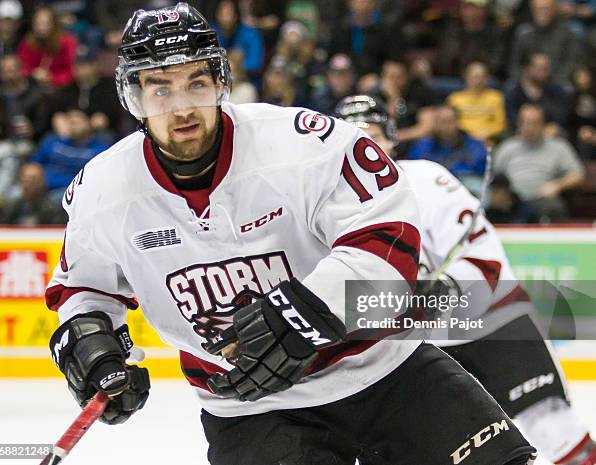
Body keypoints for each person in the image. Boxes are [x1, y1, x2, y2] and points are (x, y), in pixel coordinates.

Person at [44, 4, 536, 465]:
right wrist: (94, 348)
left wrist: (312, 309)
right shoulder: (103, 190)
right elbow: (85, 289)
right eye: (160, 89)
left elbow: (388, 236)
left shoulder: (303, 142)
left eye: (196, 82)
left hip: (383, 369)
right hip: (251, 408)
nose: (182, 108)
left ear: (220, 81)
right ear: (134, 96)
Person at [336, 94, 596, 465]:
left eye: (373, 136)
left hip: (489, 321)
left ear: (392, 140)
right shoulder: (328, 204)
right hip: (414, 348)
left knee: (551, 428)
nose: (364, 148)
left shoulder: (426, 178)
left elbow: (484, 257)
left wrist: (441, 292)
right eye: (352, 138)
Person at [494, 103, 586, 221]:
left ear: (543, 125)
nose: (528, 127)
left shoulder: (558, 147)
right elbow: (494, 178)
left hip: (542, 200)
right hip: (512, 202)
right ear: (518, 124)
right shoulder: (507, 148)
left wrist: (556, 186)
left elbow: (578, 175)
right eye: (524, 122)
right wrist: (501, 194)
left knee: (554, 207)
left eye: (534, 123)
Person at [408, 105, 488, 195]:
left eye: (450, 121)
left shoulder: (474, 145)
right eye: (442, 122)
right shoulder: (422, 146)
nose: (446, 126)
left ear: (458, 122)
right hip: (432, 184)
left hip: (465, 183)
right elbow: (414, 171)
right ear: (435, 123)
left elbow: (481, 172)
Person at [16, 5, 78, 88]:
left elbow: (72, 70)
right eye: (38, 24)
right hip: (34, 87)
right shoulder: (27, 43)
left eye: (46, 24)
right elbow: (22, 67)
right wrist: (34, 74)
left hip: (61, 88)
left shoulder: (67, 42)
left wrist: (52, 78)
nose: (41, 28)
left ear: (54, 24)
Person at [447, 61, 507, 144]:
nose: (478, 80)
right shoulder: (455, 99)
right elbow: (450, 122)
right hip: (461, 140)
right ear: (466, 77)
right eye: (475, 77)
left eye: (482, 77)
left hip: (487, 139)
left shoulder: (496, 97)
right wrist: (469, 135)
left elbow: (500, 124)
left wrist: (487, 133)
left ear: (487, 79)